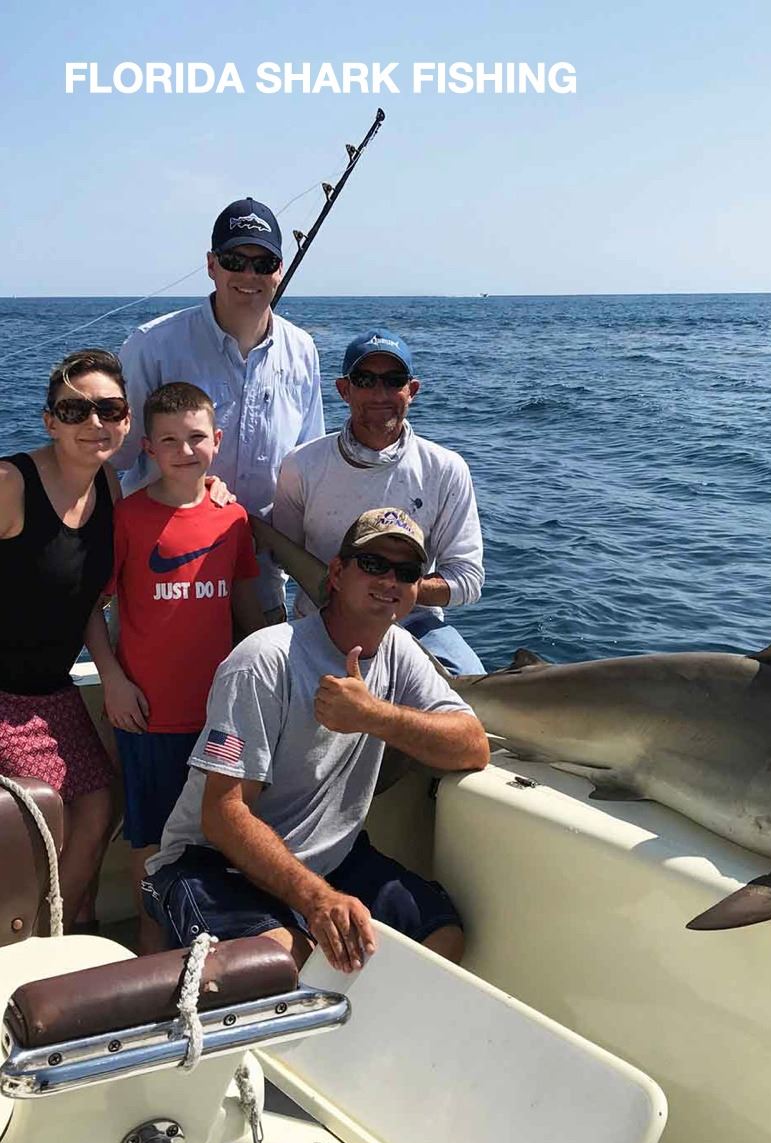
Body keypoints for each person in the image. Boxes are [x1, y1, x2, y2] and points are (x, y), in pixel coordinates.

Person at [141, 507, 490, 973]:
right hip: (215, 862)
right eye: (373, 564)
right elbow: (223, 814)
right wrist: (317, 900)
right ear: (337, 573)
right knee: (283, 963)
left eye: (406, 572)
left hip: (331, 857)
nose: (389, 580)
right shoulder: (265, 660)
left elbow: (473, 746)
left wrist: (374, 716)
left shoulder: (401, 651)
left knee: (442, 939)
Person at [86, 382, 262, 954]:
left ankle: (211, 946)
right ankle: (151, 946)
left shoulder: (233, 518)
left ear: (218, 440)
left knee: (221, 833)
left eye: (195, 438)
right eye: (169, 440)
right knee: (151, 843)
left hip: (220, 718)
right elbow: (92, 608)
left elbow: (245, 611)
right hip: (150, 716)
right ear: (147, 447)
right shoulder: (128, 518)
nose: (184, 451)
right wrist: (112, 681)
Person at [114, 197, 324, 619]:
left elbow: (308, 470)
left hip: (261, 580)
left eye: (263, 263)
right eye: (234, 260)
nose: (249, 275)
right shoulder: (151, 345)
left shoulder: (302, 349)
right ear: (211, 265)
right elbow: (113, 459)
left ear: (280, 270)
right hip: (160, 577)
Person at [0, 349, 131, 930]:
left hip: (52, 691)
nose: (93, 423)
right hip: (3, 696)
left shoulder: (108, 485)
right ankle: (42, 939)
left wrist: (112, 675)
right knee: (47, 815)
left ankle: (64, 931)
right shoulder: (11, 484)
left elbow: (88, 602)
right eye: (75, 411)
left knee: (102, 803)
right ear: (49, 421)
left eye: (110, 409)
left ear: (127, 420)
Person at [272, 330, 486, 675]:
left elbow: (468, 580)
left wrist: (392, 590)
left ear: (412, 390)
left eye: (393, 380)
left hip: (414, 621)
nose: (379, 393)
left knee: (471, 681)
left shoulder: (446, 469)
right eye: (365, 380)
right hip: (321, 619)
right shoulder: (301, 465)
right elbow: (280, 560)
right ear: (344, 389)